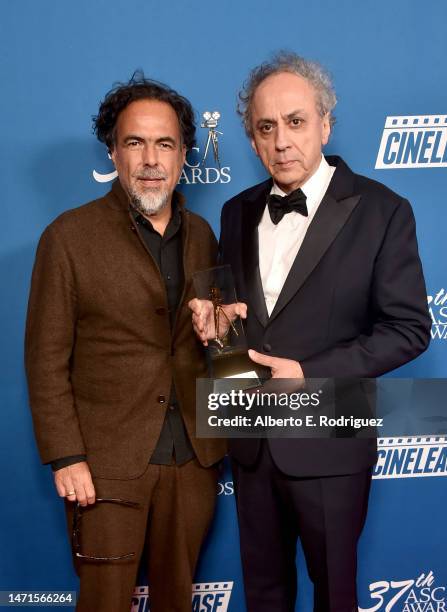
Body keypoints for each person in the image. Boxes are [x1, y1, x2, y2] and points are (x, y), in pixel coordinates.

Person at [190, 52, 431, 611]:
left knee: (334, 593)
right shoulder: (235, 211)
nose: (281, 141)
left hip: (330, 440)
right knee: (265, 594)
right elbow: (244, 314)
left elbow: (410, 329)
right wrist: (217, 320)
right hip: (250, 441)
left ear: (326, 122)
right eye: (266, 127)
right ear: (251, 140)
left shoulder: (383, 210)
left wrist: (310, 374)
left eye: (296, 122)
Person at [25, 74, 225, 612]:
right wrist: (66, 456)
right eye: (135, 142)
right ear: (113, 151)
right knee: (103, 603)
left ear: (185, 153)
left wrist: (223, 334)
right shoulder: (68, 237)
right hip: (105, 465)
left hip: (193, 459)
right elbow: (45, 359)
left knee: (177, 601)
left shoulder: (205, 234)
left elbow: (218, 338)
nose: (151, 159)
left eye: (165, 143)